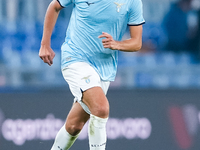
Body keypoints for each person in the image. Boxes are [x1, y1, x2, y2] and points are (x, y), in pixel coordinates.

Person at [39, 0, 145, 149]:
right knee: (101, 108)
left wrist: (117, 44)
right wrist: (45, 44)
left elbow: (137, 42)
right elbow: (55, 6)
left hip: (104, 68)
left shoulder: (133, 2)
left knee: (74, 125)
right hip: (75, 58)